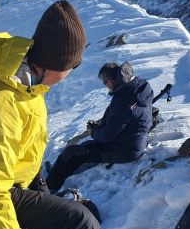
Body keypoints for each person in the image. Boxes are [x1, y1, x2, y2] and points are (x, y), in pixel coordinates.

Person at [0, 0, 100, 229]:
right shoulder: (5, 101)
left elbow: (21, 144)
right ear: (54, 65)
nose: (71, 72)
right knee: (81, 222)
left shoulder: (24, 83)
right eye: (73, 65)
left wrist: (36, 182)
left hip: (0, 181)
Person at [45, 62, 154, 193]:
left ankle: (50, 186)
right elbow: (124, 120)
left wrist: (94, 132)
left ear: (112, 81)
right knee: (85, 148)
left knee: (72, 153)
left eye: (105, 83)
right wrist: (102, 127)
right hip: (133, 142)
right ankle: (60, 171)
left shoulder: (123, 102)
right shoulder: (140, 88)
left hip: (124, 151)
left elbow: (107, 136)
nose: (105, 86)